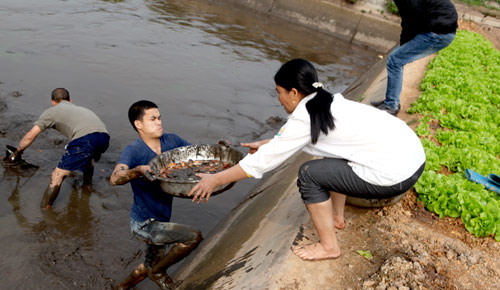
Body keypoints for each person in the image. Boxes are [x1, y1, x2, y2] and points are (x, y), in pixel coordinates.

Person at [188, 59, 426, 261]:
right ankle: (336, 217)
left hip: (394, 174)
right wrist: (268, 143)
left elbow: (261, 163)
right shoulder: (325, 101)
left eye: (279, 92)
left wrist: (216, 179)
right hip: (411, 159)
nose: (279, 99)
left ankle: (329, 246)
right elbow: (312, 141)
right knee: (329, 157)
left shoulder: (304, 116)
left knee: (310, 174)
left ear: (294, 92)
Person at [110, 100, 202, 290]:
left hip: (162, 219)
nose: (159, 122)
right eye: (153, 119)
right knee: (192, 237)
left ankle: (120, 288)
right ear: (139, 124)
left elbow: (198, 156)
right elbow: (114, 178)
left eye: (159, 118)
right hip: (144, 223)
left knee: (150, 265)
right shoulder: (134, 151)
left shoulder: (172, 141)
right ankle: (158, 274)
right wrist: (137, 171)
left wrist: (220, 148)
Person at [11, 88, 110, 209]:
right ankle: (87, 187)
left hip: (85, 139)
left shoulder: (51, 111)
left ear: (53, 102)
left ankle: (45, 209)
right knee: (88, 157)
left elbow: (30, 135)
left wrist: (17, 152)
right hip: (104, 137)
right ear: (70, 100)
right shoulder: (82, 109)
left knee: (57, 175)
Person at [372, 0, 457, 116]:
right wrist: (404, 45)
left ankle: (391, 105)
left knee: (395, 60)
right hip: (438, 28)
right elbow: (409, 20)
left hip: (438, 33)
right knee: (396, 57)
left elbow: (412, 21)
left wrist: (404, 45)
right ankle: (390, 100)